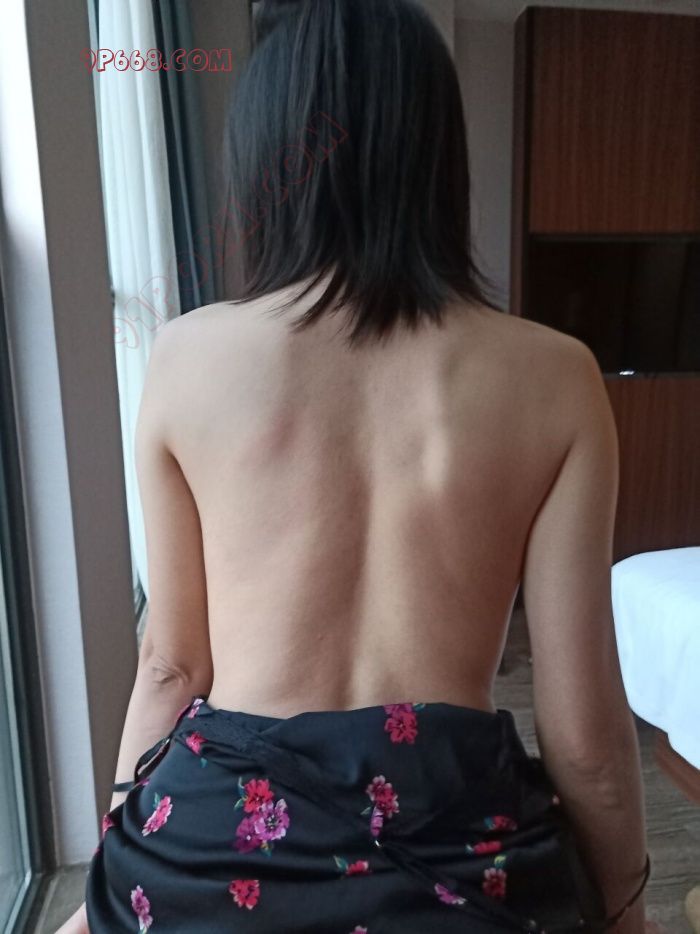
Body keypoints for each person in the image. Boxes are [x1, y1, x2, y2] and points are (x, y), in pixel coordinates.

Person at [58, 0, 654, 931]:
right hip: (457, 859)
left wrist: (118, 848)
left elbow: (172, 665)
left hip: (215, 854)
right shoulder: (557, 378)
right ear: (437, 157)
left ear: (264, 158)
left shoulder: (185, 359)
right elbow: (584, 738)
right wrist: (626, 914)